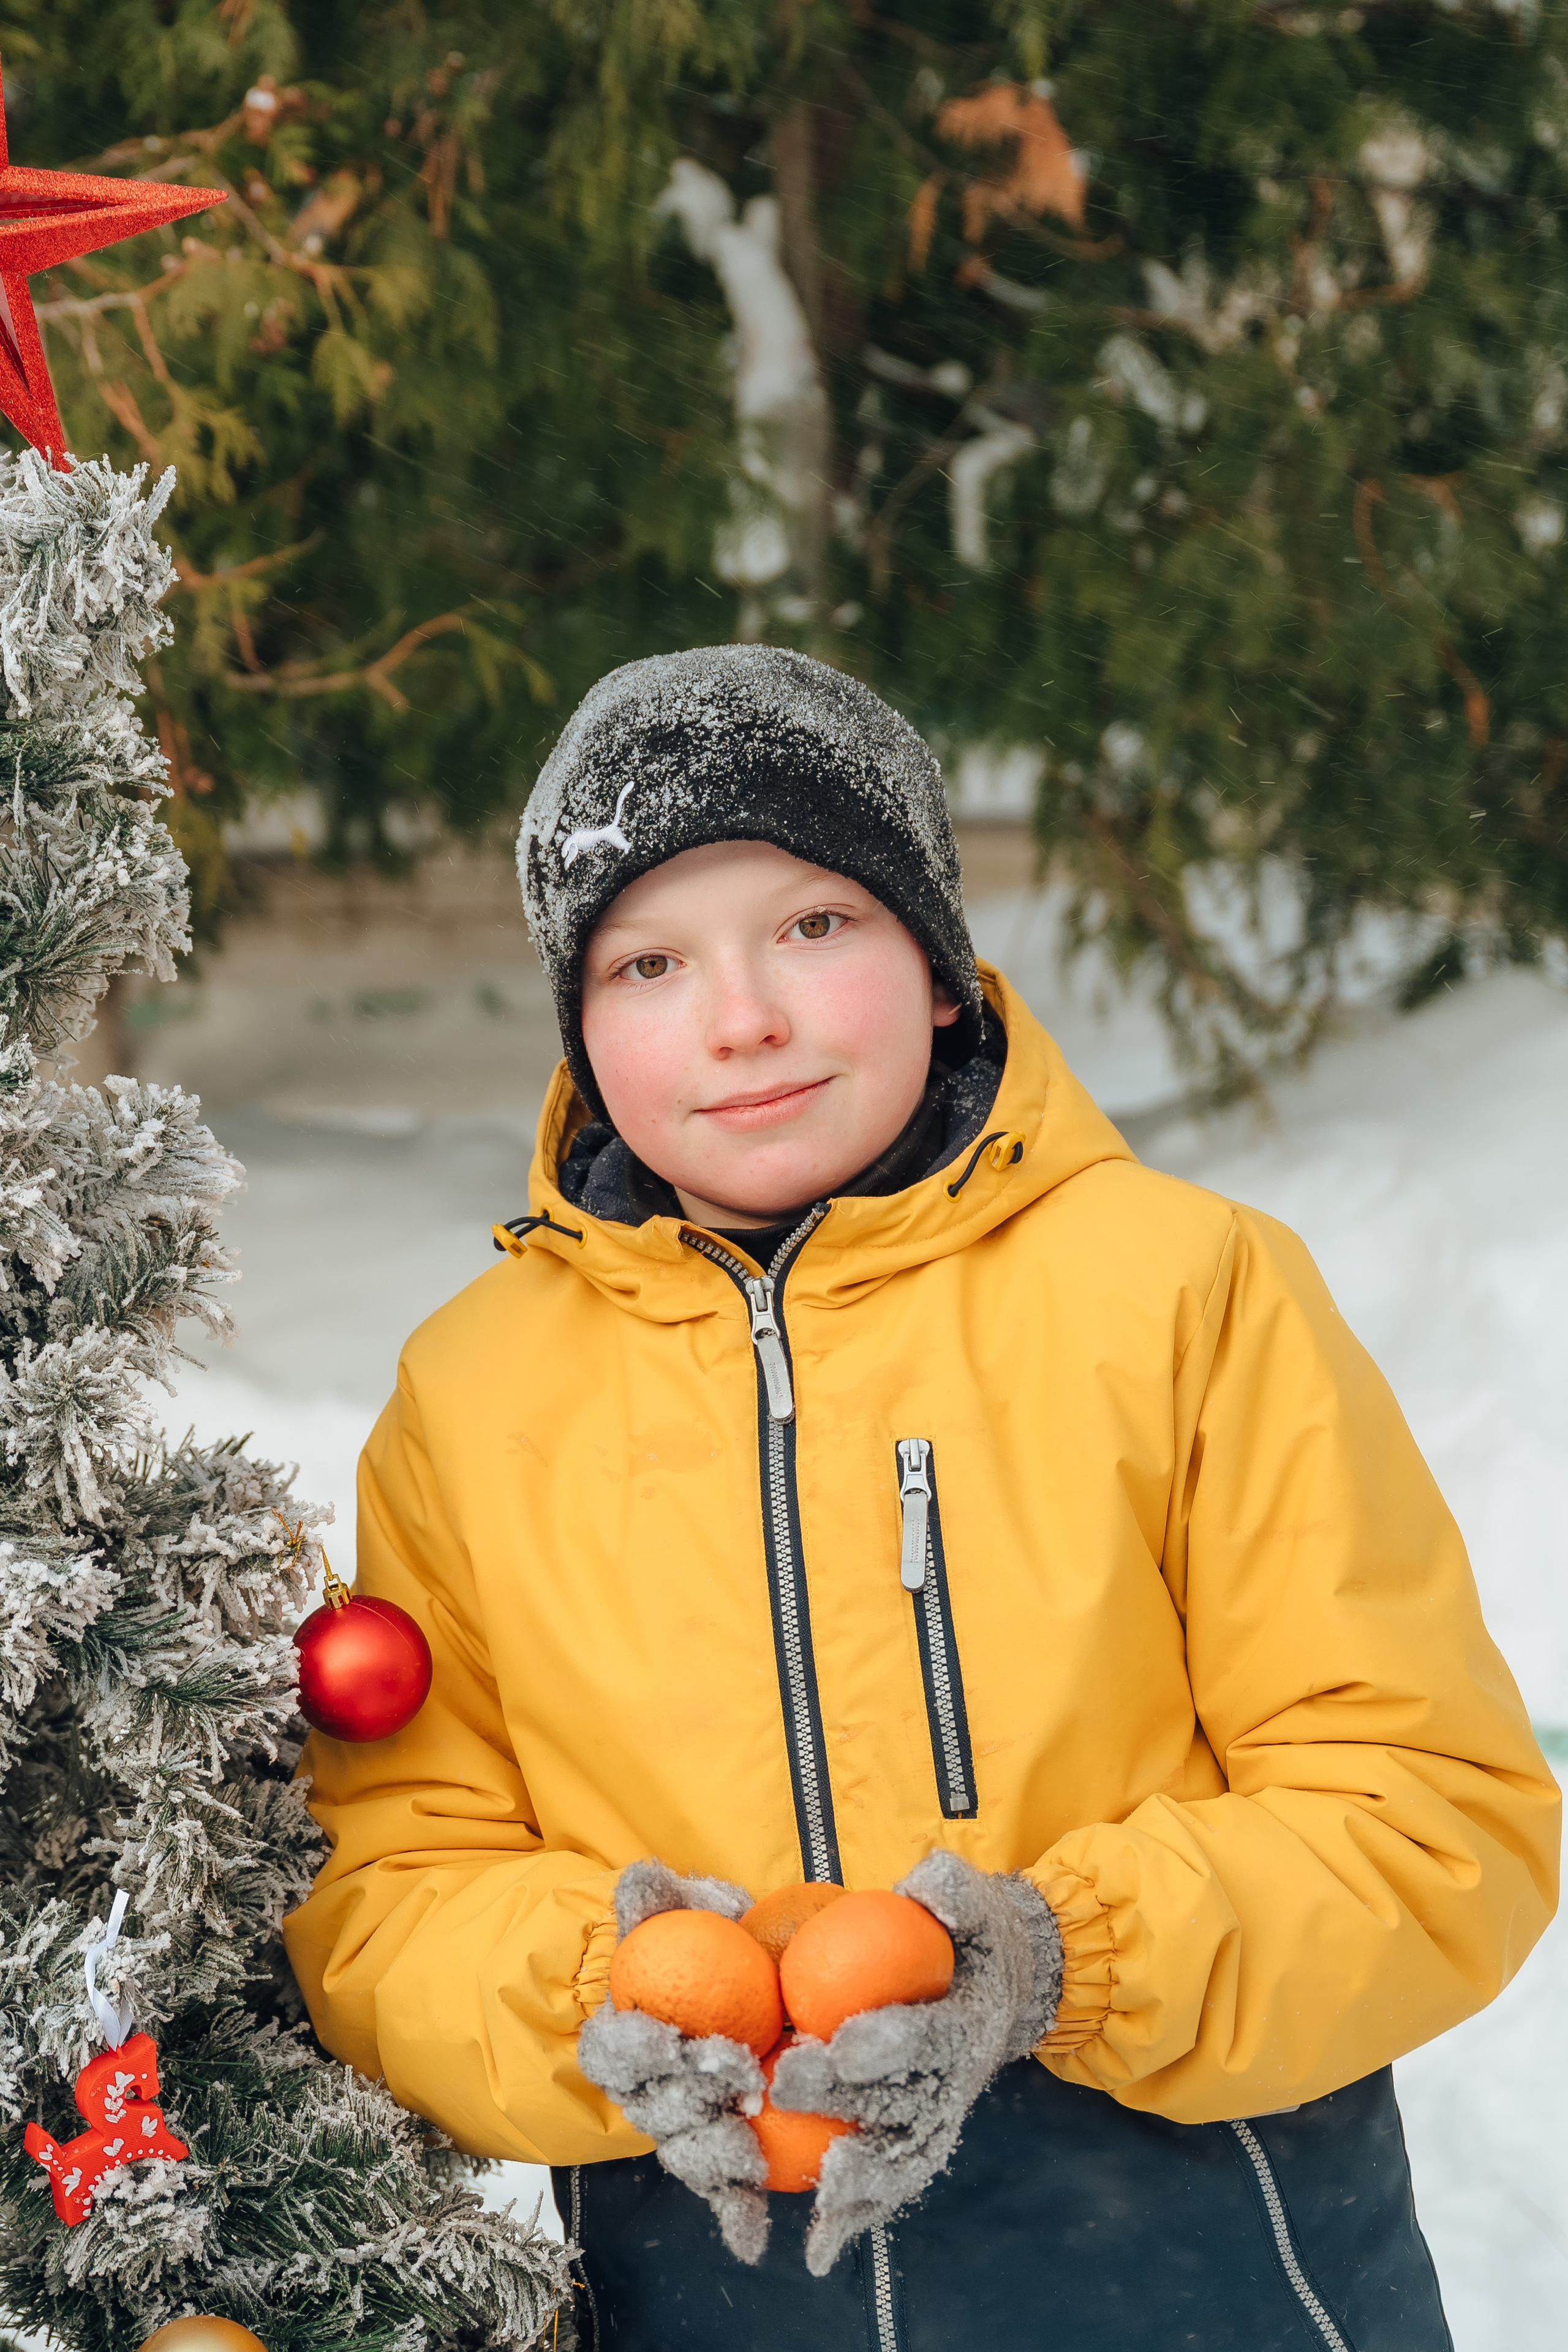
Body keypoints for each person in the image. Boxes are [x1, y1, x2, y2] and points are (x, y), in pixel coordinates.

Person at [284, 645, 1559, 2352]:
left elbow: (1430, 1817)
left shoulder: (1187, 1295)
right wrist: (603, 1994)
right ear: (583, 1033)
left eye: (814, 925)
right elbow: (388, 1890)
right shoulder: (471, 1397)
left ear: (943, 968)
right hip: (713, 2296)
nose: (741, 1017)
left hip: (1213, 2270)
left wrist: (1055, 1958)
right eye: (649, 960)